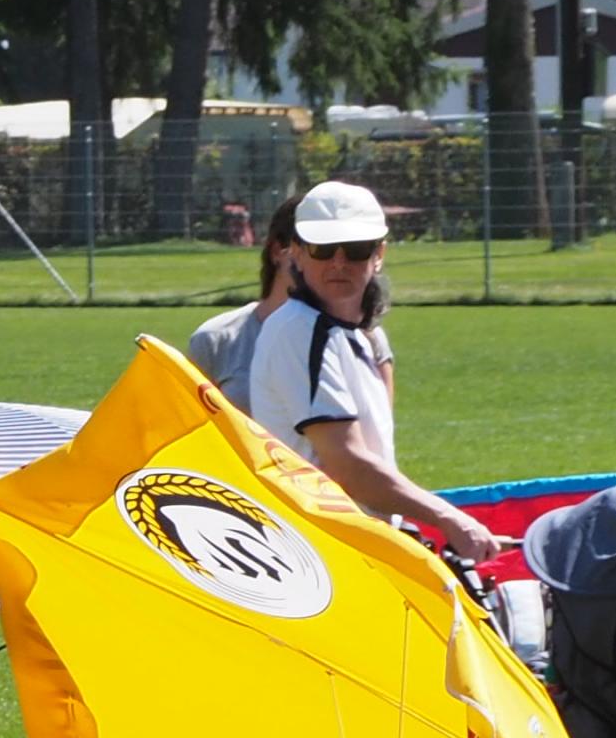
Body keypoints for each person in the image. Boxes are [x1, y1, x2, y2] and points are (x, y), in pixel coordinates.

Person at [242, 181, 501, 564]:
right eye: (323, 248)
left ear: (379, 254)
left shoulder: (348, 336)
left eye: (356, 249)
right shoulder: (301, 331)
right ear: (296, 252)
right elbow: (346, 465)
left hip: (347, 549)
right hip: (324, 554)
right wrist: (449, 518)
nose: (339, 263)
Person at [186, 209, 298, 419]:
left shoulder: (354, 340)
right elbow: (188, 427)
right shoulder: (216, 340)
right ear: (277, 252)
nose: (333, 264)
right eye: (313, 250)